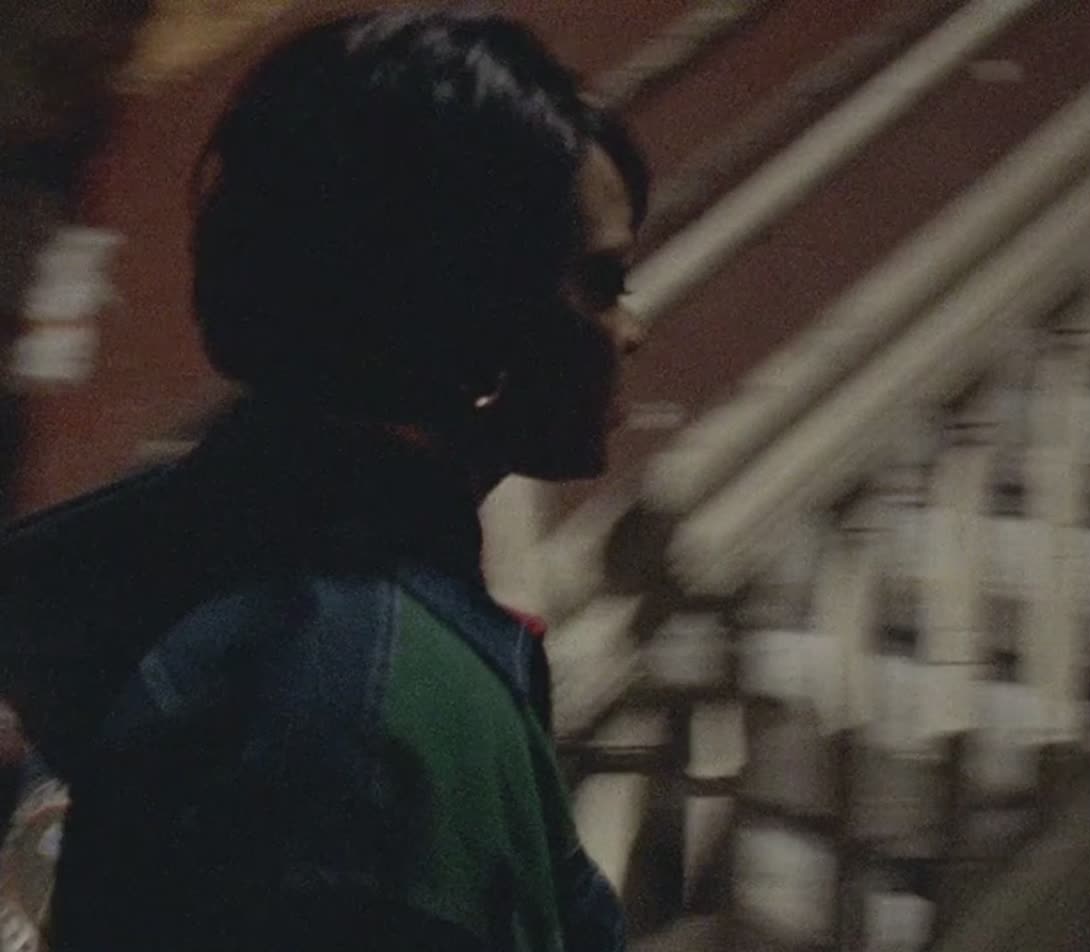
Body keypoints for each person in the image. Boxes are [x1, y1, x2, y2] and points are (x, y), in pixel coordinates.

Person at [0, 9, 649, 951]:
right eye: (602, 283)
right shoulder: (384, 708)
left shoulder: (108, 564)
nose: (633, 330)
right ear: (476, 315)